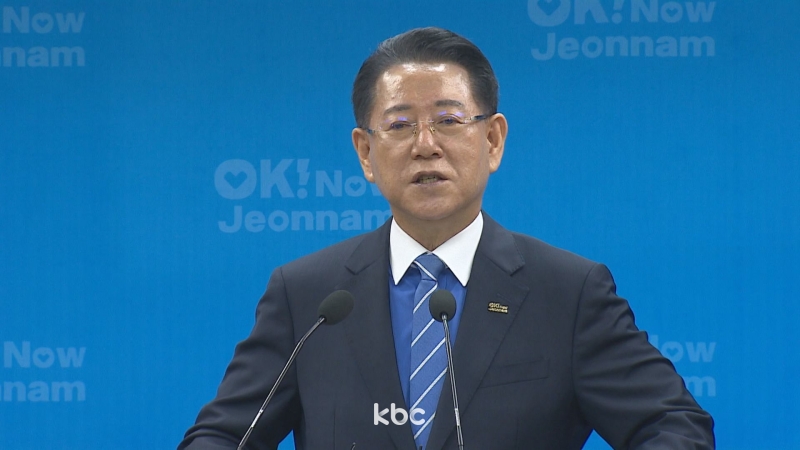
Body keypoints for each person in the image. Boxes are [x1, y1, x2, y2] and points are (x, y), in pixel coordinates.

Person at [179, 27, 714, 449]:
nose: (425, 145)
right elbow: (221, 437)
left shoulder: (567, 293)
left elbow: (675, 427)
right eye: (400, 125)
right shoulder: (308, 296)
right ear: (365, 153)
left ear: (493, 140)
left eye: (448, 120)